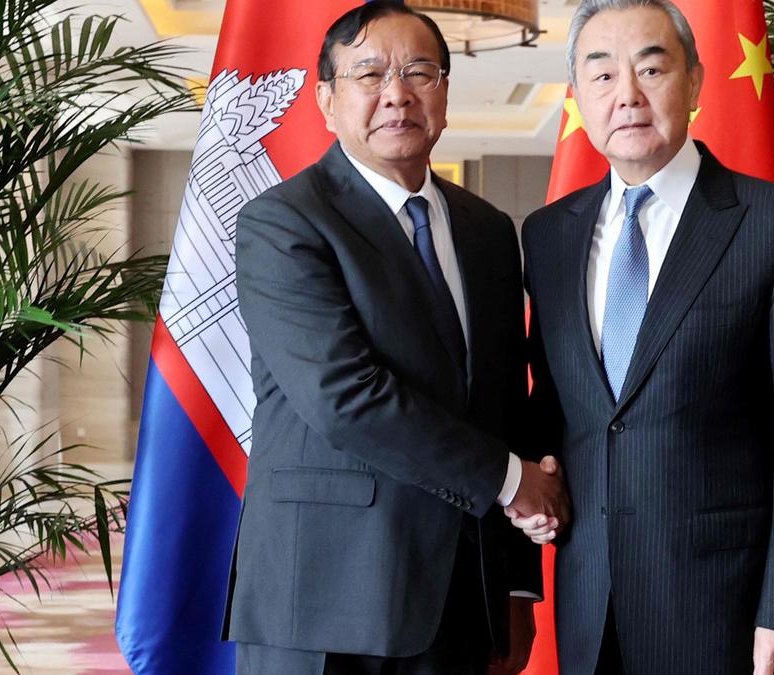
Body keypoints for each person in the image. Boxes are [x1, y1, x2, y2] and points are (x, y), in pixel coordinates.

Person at [223, 2, 570, 673]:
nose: (397, 94)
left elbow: (504, 405)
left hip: (460, 599)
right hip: (326, 595)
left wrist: (514, 586)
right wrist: (510, 482)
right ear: (326, 100)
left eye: (419, 72)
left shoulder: (489, 231)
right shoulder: (283, 222)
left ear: (444, 93)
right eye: (369, 74)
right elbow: (344, 396)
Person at [508, 0, 774, 672]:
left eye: (651, 69)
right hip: (590, 601)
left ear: (694, 80)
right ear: (578, 95)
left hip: (723, 608)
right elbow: (556, 409)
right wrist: (532, 488)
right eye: (602, 75)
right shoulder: (548, 236)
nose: (627, 96)